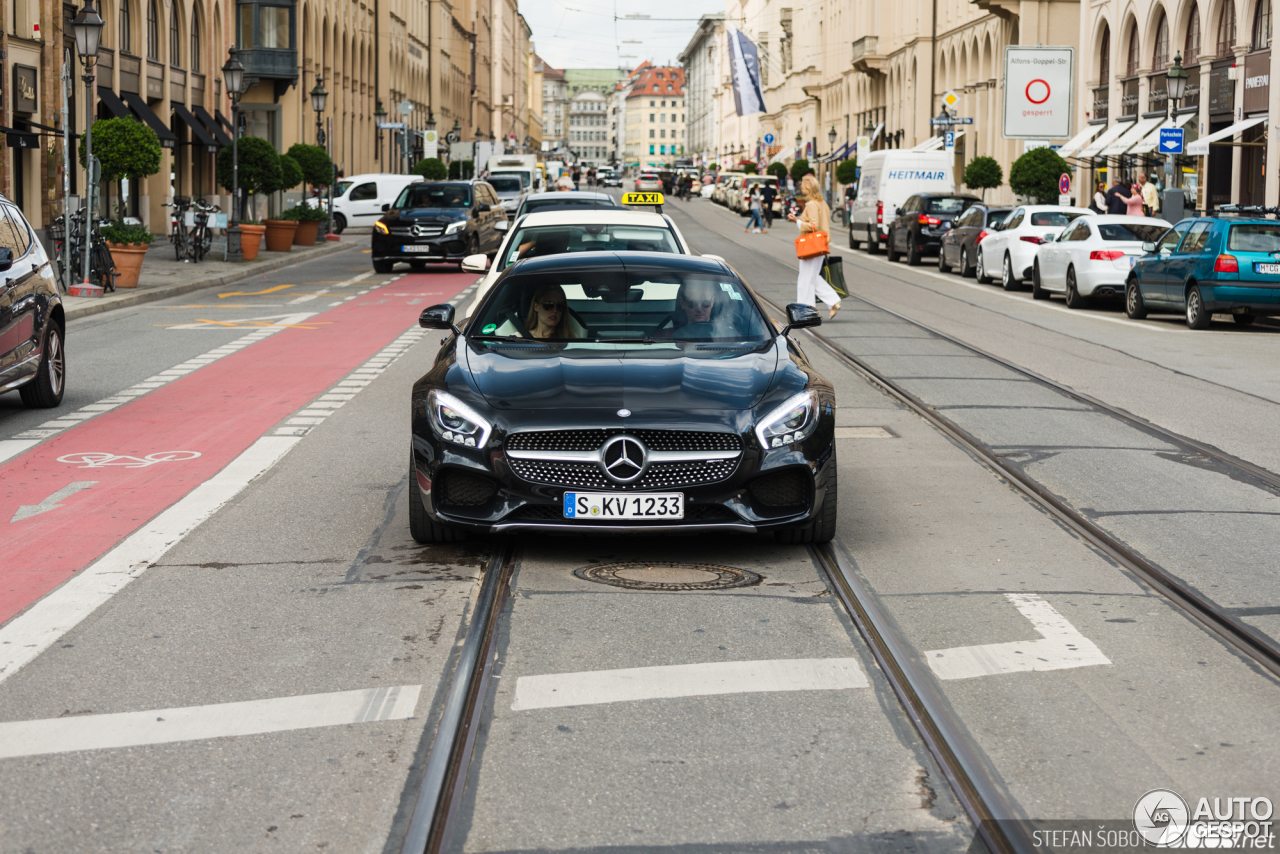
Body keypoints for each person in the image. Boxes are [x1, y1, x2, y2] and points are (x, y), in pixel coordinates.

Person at [787, 173, 841, 319]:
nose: (801, 190)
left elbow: (814, 225)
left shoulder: (811, 205)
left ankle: (806, 311)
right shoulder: (823, 203)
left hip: (811, 244)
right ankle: (833, 301)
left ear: (807, 189)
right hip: (821, 245)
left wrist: (796, 221)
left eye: (803, 188)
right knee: (812, 277)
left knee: (805, 279)